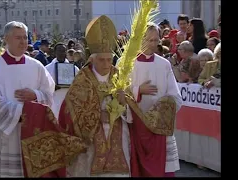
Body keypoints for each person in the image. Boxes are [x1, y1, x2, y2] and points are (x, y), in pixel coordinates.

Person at [58, 15, 131, 177]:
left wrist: (123, 104)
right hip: (90, 142)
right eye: (102, 60)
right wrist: (98, 115)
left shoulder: (119, 76)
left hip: (117, 135)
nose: (106, 65)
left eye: (109, 60)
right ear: (92, 60)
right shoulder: (83, 78)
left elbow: (131, 108)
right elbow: (71, 110)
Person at [0, 21, 56, 177]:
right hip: (4, 133)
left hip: (32, 132)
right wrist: (24, 112)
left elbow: (49, 93)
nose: (23, 42)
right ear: (6, 39)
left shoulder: (37, 66)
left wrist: (36, 95)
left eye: (25, 38)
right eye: (18, 38)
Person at [124, 23, 182, 177]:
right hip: (135, 126)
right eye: (149, 40)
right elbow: (117, 93)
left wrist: (162, 108)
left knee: (164, 170)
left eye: (156, 40)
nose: (153, 44)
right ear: (140, 39)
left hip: (159, 129)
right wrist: (138, 91)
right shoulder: (126, 64)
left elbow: (175, 96)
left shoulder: (164, 64)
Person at [45, 42, 79, 119]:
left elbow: (80, 84)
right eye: (59, 51)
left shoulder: (74, 69)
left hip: (69, 101)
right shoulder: (47, 69)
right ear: (55, 52)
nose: (62, 53)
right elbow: (43, 86)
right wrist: (53, 87)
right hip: (55, 101)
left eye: (64, 51)